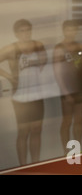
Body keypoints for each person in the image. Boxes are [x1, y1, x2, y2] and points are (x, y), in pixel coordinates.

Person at [0, 19, 48, 165]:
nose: (26, 33)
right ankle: (23, 166)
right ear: (16, 33)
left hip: (37, 93)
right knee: (23, 131)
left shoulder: (38, 46)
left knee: (36, 129)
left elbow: (44, 61)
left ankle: (35, 163)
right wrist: (9, 76)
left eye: (28, 30)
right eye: (22, 30)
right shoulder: (11, 48)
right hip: (20, 96)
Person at [52, 20, 82, 152]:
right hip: (67, 90)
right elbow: (57, 73)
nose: (71, 32)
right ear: (63, 31)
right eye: (68, 29)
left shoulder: (80, 47)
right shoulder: (59, 48)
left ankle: (77, 150)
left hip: (80, 88)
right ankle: (66, 152)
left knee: (79, 121)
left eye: (73, 29)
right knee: (67, 121)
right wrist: (65, 93)